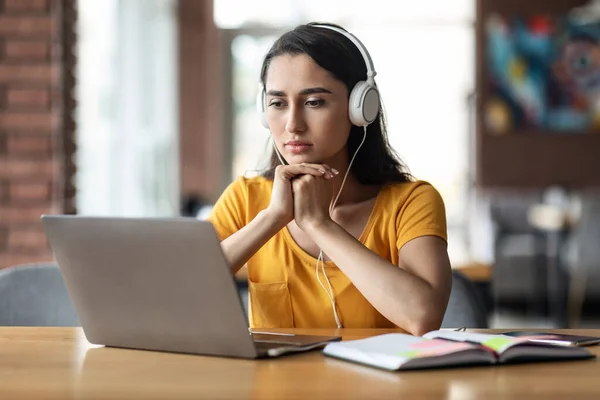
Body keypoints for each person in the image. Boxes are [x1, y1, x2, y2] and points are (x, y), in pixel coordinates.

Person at [207, 22, 451, 335]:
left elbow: (423, 317)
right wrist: (272, 218)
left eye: (314, 102)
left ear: (360, 107)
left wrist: (319, 225)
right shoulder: (245, 198)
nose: (293, 124)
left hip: (383, 385)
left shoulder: (412, 202)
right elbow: (179, 293)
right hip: (276, 385)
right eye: (278, 103)